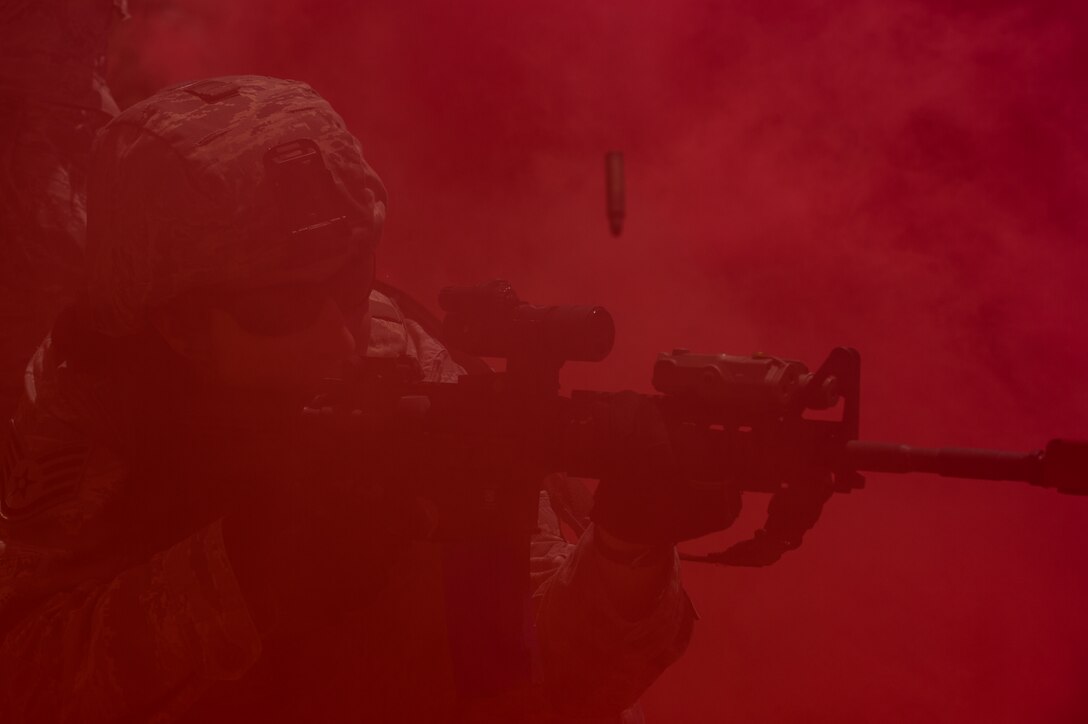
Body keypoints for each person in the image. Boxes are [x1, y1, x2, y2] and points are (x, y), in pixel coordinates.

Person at [0, 75, 704, 723]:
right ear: (175, 324)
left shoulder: (412, 368)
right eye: (280, 309)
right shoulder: (92, 413)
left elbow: (531, 687)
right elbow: (23, 680)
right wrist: (246, 571)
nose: (340, 335)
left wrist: (626, 557)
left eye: (350, 281)